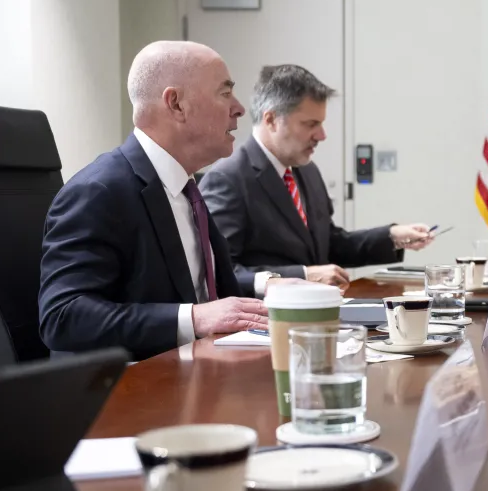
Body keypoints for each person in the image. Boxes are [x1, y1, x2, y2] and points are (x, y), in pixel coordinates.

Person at [40, 41, 275, 360]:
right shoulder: (99, 191)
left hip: (201, 371)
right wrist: (195, 318)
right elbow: (62, 317)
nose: (239, 108)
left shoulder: (189, 187)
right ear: (176, 104)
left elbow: (214, 298)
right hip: (132, 395)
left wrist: (286, 297)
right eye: (224, 92)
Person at [200, 64, 435, 292]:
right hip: (267, 322)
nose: (321, 135)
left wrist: (391, 237)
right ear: (270, 119)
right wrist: (303, 275)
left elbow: (328, 245)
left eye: (321, 123)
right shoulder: (227, 179)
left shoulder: (306, 170)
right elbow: (221, 274)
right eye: (310, 124)